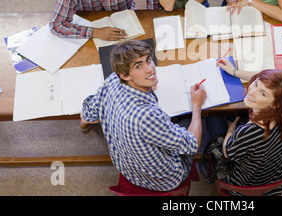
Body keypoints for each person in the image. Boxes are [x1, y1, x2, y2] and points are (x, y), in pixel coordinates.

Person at [80, 39, 207, 191]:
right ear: (126, 76)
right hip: (165, 180)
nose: (150, 69)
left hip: (125, 166)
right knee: (188, 118)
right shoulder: (146, 116)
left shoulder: (113, 79)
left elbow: (87, 114)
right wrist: (197, 106)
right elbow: (192, 145)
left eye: (148, 60)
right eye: (139, 66)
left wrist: (144, 82)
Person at [212, 63, 282, 195]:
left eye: (262, 93)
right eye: (256, 84)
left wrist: (231, 129)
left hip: (246, 183)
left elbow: (228, 153)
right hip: (275, 177)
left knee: (213, 121)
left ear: (274, 104)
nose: (252, 91)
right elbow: (264, 82)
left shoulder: (247, 132)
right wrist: (235, 71)